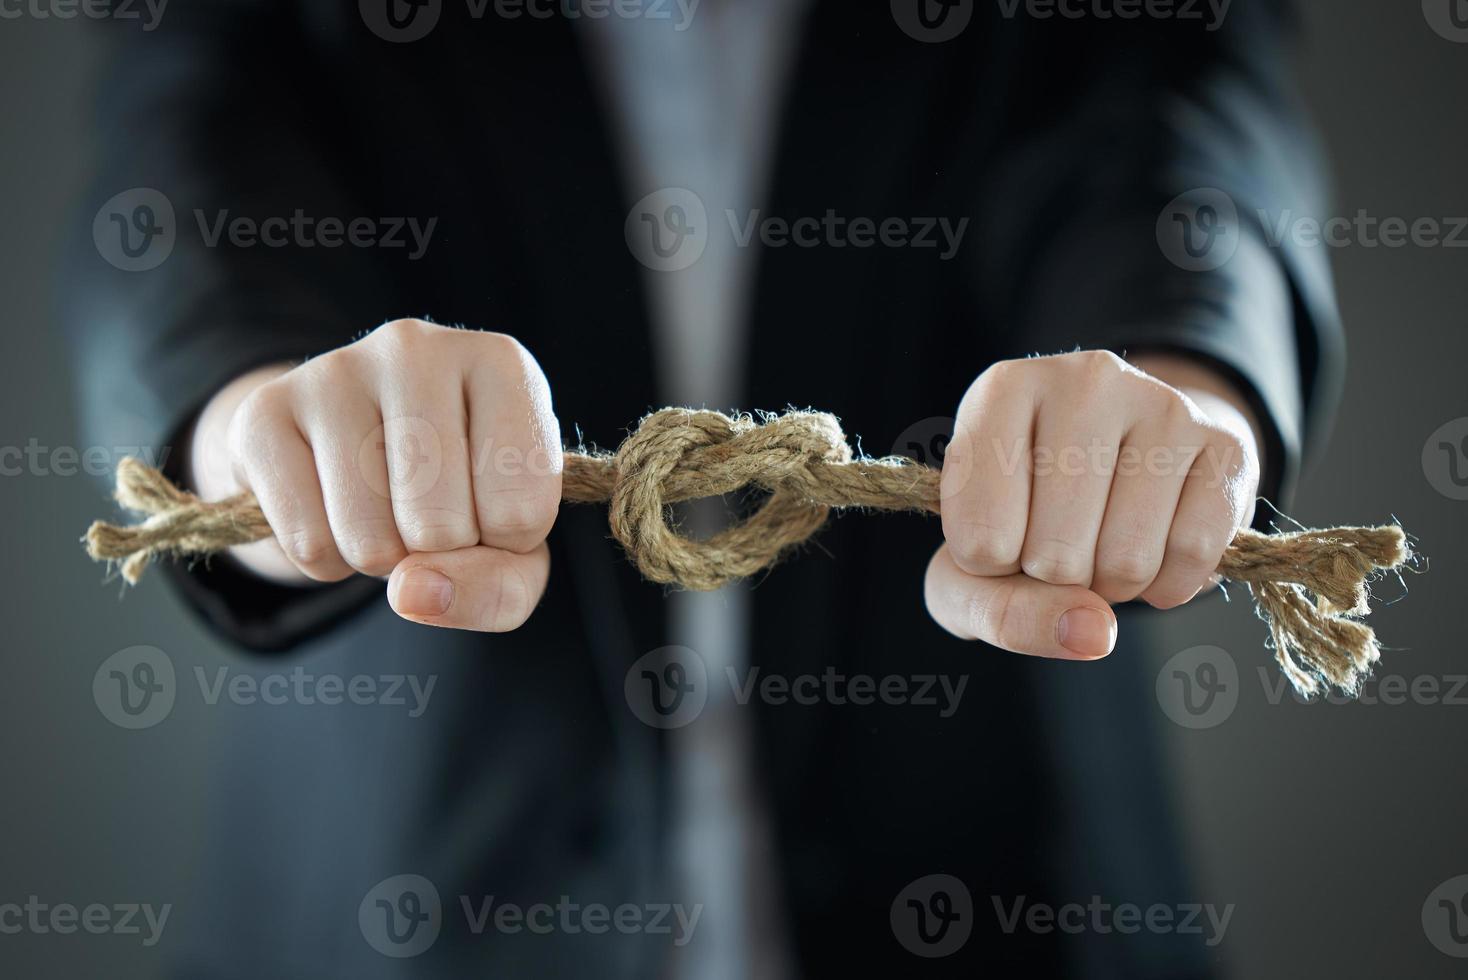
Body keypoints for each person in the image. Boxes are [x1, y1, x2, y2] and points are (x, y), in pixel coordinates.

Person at [66, 1, 1340, 975]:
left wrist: (1180, 382)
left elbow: (1174, 119)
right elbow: (189, 160)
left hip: (1012, 888)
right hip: (393, 900)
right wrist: (258, 427)